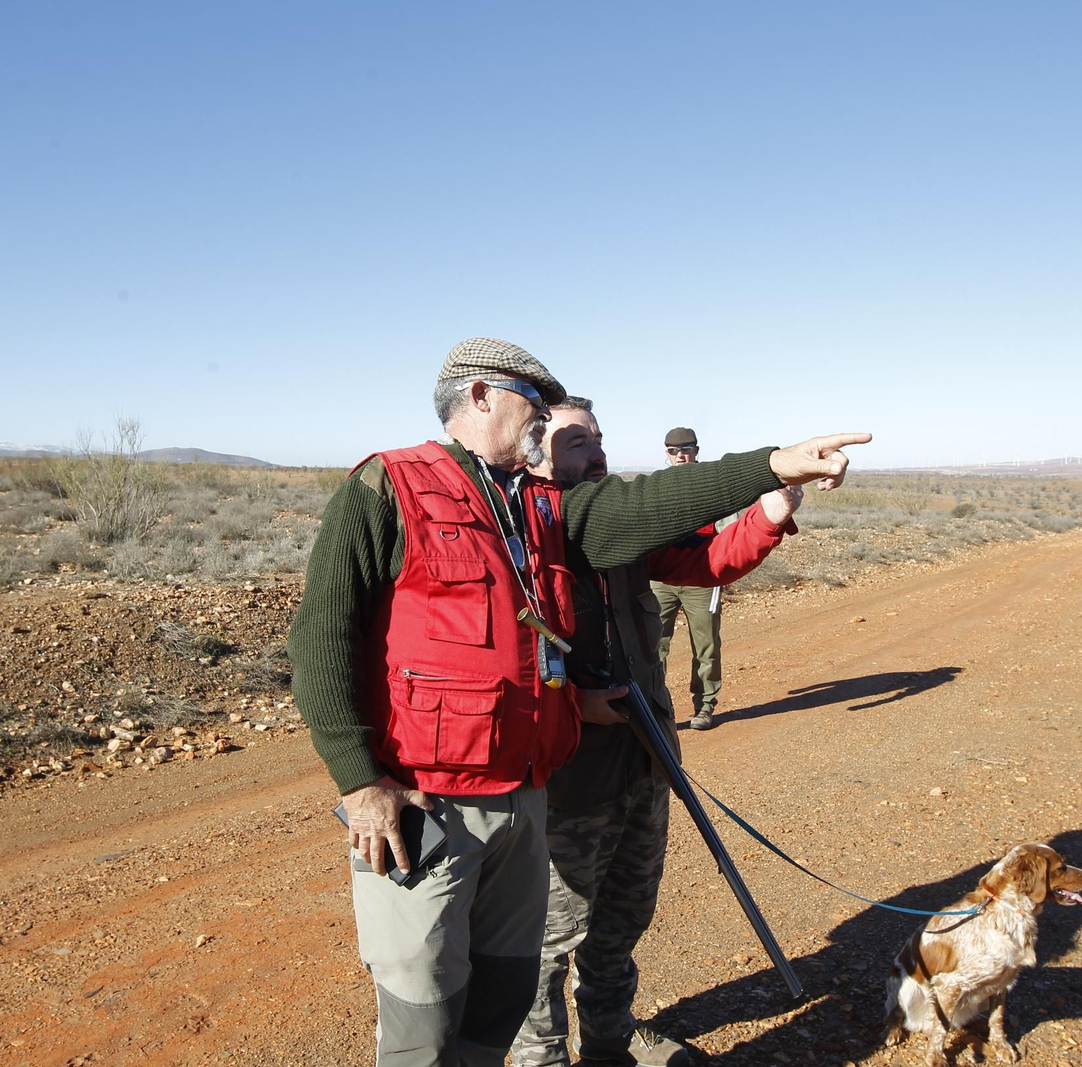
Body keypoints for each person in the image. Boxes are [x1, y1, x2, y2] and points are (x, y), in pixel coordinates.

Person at [288, 336, 870, 1067]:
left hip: (536, 790)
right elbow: (320, 639)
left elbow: (661, 512)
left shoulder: (541, 510)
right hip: (443, 799)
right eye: (540, 412)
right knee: (431, 1006)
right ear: (478, 397)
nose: (560, 435)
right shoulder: (392, 487)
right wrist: (358, 778)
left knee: (507, 991)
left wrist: (770, 477)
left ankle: (605, 1046)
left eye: (589, 434)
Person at [513, 398, 805, 1067]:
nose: (597, 453)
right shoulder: (522, 535)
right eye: (577, 440)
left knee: (621, 923)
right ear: (530, 451)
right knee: (547, 946)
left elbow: (707, 559)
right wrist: (570, 701)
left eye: (600, 438)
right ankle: (543, 1059)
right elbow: (503, 652)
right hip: (567, 780)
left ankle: (611, 1047)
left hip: (644, 762)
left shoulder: (621, 524)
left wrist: (770, 512)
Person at [649, 427, 729, 730]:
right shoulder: (656, 485)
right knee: (654, 645)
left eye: (686, 449)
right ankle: (656, 709)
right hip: (661, 579)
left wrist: (725, 570)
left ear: (697, 450)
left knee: (706, 645)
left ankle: (705, 706)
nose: (680, 455)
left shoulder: (712, 484)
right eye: (673, 450)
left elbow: (729, 530)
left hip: (702, 578)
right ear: (666, 454)